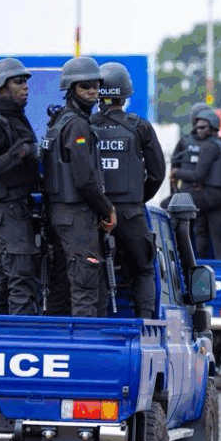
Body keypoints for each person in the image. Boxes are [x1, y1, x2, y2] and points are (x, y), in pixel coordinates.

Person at [42, 56, 117, 318]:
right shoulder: (76, 124)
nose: (93, 92)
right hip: (76, 214)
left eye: (96, 86)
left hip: (61, 214)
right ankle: (88, 350)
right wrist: (107, 209)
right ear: (71, 89)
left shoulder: (58, 121)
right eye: (86, 87)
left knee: (62, 286)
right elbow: (84, 178)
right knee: (86, 286)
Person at [91, 61, 166, 318]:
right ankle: (145, 325)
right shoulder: (140, 126)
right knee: (143, 269)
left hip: (93, 215)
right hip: (131, 214)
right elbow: (157, 173)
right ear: (125, 94)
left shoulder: (83, 126)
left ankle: (97, 329)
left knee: (94, 272)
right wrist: (136, 199)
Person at [0, 57, 42, 315]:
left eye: (26, 81)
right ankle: (22, 341)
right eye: (18, 81)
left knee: (1, 284)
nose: (26, 86)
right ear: (0, 87)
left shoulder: (14, 118)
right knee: (21, 280)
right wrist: (18, 154)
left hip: (12, 211)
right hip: (8, 212)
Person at [172, 110, 221, 259]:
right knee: (217, 238)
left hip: (208, 196)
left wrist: (176, 172)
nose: (197, 130)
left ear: (213, 127)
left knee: (169, 204)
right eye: (197, 127)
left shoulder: (208, 146)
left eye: (202, 127)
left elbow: (198, 175)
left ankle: (183, 260)